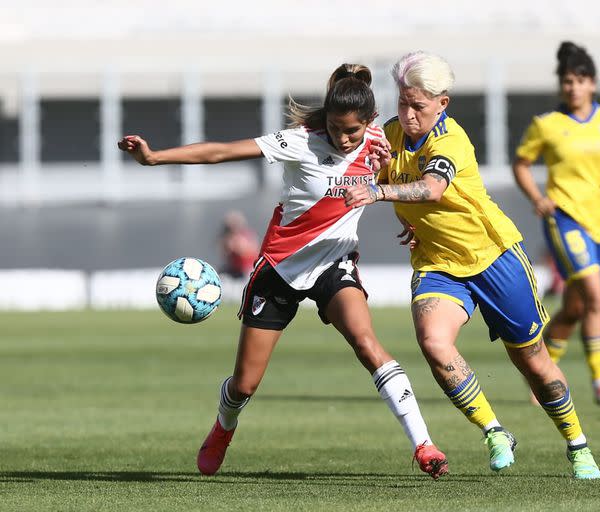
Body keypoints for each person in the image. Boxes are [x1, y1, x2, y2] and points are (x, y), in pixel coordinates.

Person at [118, 63, 449, 479]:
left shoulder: (379, 140)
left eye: (352, 131)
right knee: (245, 385)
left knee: (368, 344)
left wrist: (409, 223)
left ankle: (424, 445)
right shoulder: (298, 142)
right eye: (334, 128)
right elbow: (220, 151)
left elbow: (389, 184)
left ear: (368, 122)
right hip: (280, 268)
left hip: (335, 262)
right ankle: (223, 428)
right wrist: (153, 158)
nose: (344, 139)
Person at [345, 51, 600, 480]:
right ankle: (494, 430)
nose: (407, 114)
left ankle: (577, 443)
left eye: (418, 106)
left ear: (441, 104)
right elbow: (382, 164)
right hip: (438, 263)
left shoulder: (451, 140)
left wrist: (378, 192)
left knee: (533, 362)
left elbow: (431, 188)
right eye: (403, 103)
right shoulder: (390, 134)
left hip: (495, 257)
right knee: (433, 342)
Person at [512, 41, 600, 407]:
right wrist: (538, 198)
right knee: (596, 299)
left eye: (580, 80)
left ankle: (541, 376)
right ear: (561, 86)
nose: (574, 87)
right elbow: (521, 163)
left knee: (576, 308)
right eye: (567, 81)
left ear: (593, 84)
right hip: (564, 220)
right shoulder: (547, 125)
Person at [220, 210, 261, 278]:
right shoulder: (227, 238)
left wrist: (239, 246)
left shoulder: (246, 235)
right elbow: (224, 253)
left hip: (248, 269)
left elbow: (253, 250)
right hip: (234, 270)